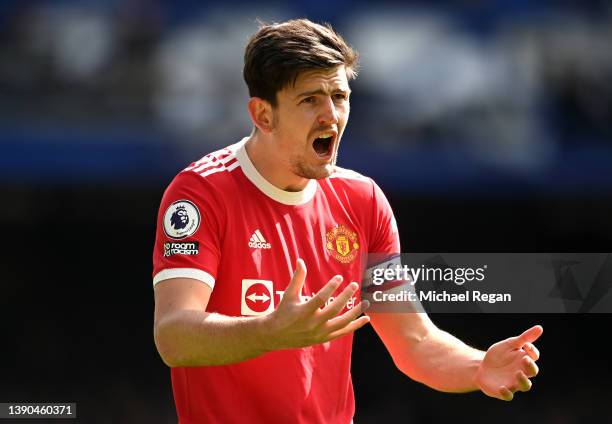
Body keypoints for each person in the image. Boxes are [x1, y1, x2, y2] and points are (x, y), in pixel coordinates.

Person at [152, 18, 542, 423]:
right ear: (263, 115)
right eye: (310, 100)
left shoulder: (362, 201)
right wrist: (270, 330)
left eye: (339, 96)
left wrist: (477, 367)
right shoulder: (201, 194)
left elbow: (417, 342)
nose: (331, 116)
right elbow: (174, 335)